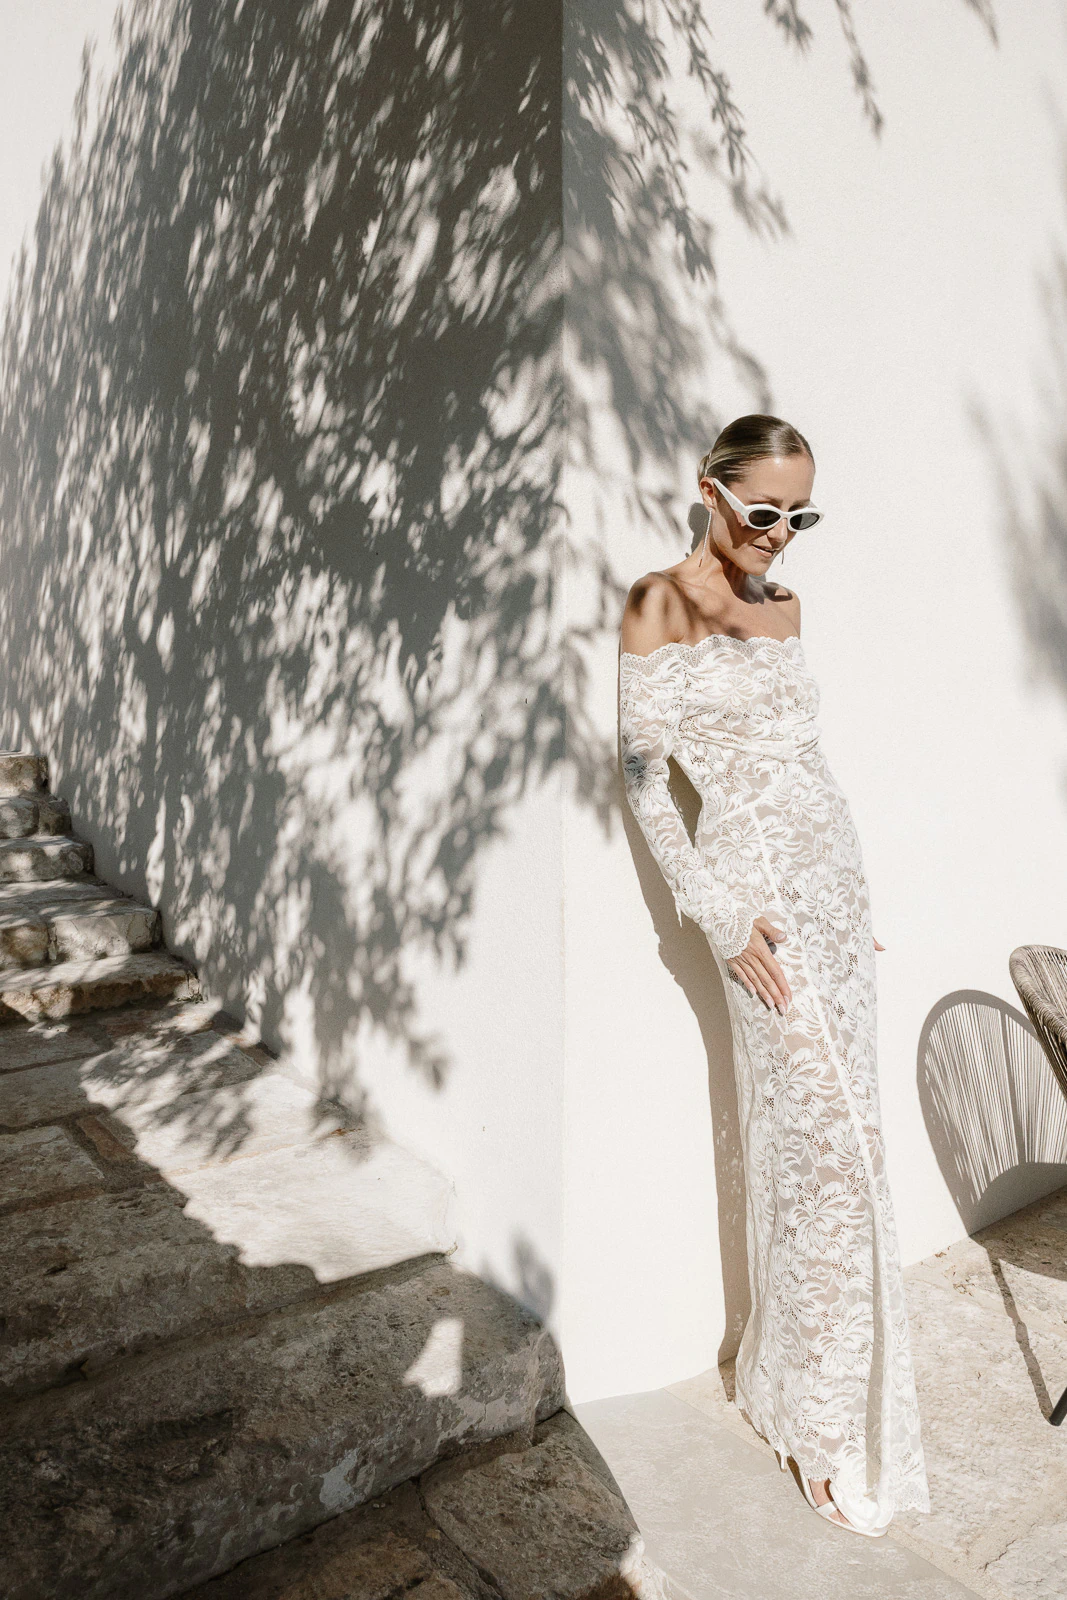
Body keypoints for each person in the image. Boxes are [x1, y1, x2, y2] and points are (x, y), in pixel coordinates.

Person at [618, 413, 930, 1536]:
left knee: (850, 1150)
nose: (778, 537)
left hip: (832, 896)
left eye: (800, 517)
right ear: (707, 490)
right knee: (821, 1159)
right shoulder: (657, 600)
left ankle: (817, 1398)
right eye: (762, 513)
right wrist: (713, 912)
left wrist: (852, 899)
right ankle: (814, 1421)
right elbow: (647, 783)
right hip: (754, 910)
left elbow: (810, 768)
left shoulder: (787, 606)